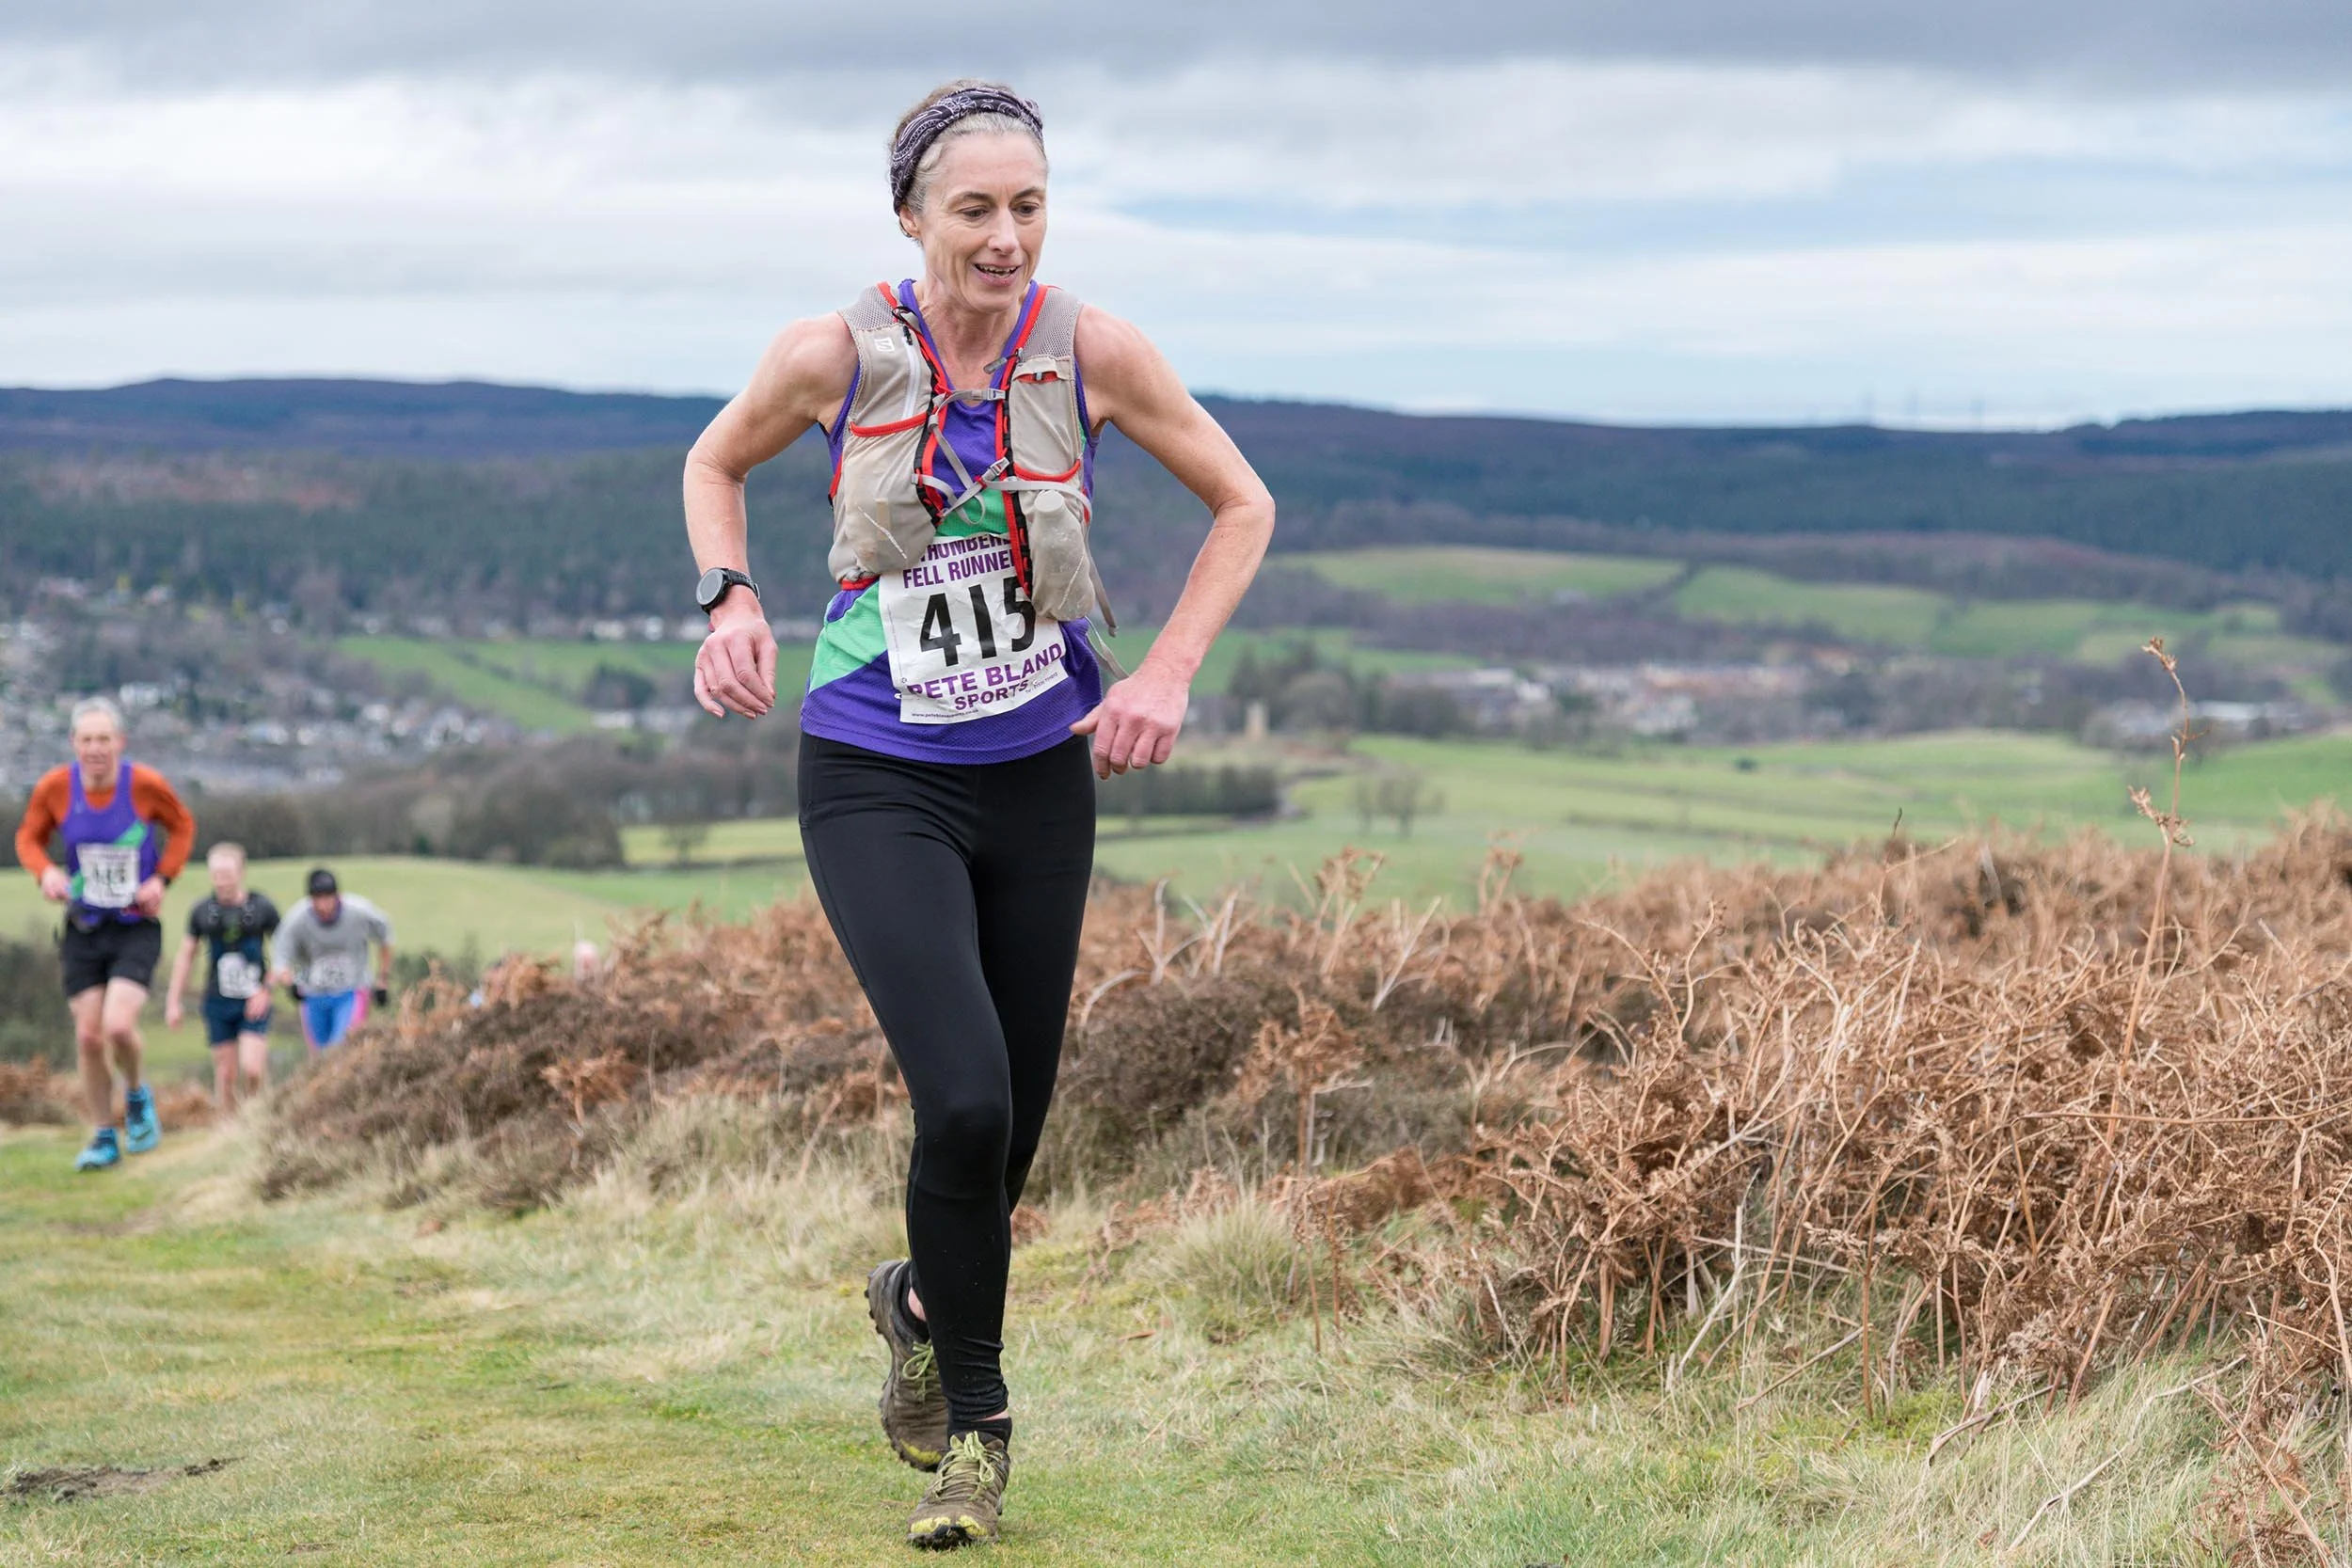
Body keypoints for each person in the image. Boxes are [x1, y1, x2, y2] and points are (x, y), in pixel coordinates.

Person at [683, 79, 1273, 1549]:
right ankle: (977, 1439)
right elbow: (714, 460)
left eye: (1029, 207)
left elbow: (1244, 502)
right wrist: (731, 597)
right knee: (961, 1097)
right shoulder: (831, 352)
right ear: (910, 218)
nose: (1006, 236)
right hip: (875, 769)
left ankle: (919, 1298)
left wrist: (1167, 674)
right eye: (975, 209)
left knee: (1010, 1125)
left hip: (1037, 773)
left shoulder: (1094, 350)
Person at [14, 696, 197, 1172]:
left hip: (135, 926)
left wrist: (163, 880)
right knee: (89, 1036)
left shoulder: (145, 785)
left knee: (117, 1025)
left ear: (120, 742)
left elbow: (182, 827)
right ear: (74, 743)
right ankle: (102, 1134)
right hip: (83, 927)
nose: (95, 748)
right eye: (87, 740)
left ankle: (136, 1095)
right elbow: (28, 838)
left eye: (104, 739)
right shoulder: (56, 788)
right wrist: (45, 873)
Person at [163, 842, 280, 1115]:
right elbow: (186, 956)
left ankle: (255, 1117)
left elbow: (286, 952)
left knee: (252, 1068)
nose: (222, 881)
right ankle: (226, 1126)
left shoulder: (262, 908)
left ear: (241, 873)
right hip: (217, 1000)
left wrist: (266, 990)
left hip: (254, 1000)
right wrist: (173, 1001)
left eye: (227, 875)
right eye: (216, 875)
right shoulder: (202, 911)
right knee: (226, 1073)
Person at [270, 868, 394, 1051]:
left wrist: (382, 979)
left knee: (341, 1047)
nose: (324, 905)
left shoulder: (360, 912)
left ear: (338, 896)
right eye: (318, 899)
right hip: (313, 994)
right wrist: (290, 983)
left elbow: (386, 936)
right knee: (320, 1056)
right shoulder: (296, 920)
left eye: (328, 897)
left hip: (352, 991)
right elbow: (280, 956)